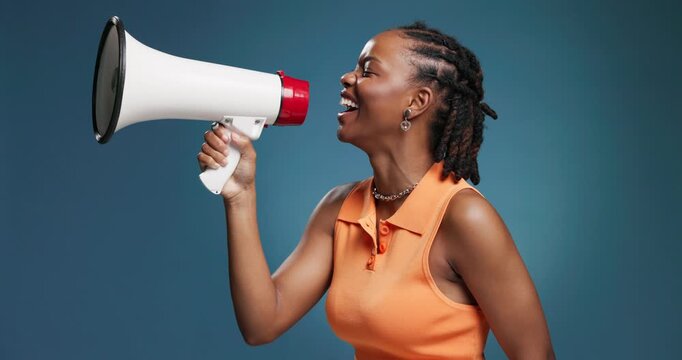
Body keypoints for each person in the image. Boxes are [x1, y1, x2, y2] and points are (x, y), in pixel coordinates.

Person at [197, 21, 555, 360]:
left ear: (416, 102)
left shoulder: (463, 216)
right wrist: (240, 196)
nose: (346, 78)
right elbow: (263, 323)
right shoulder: (339, 207)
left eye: (367, 70)